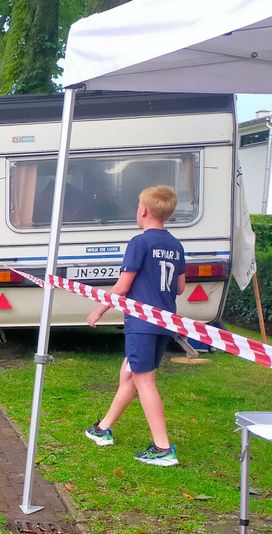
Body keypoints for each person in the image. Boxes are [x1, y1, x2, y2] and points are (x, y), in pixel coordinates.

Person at [84, 185, 186, 467]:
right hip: (164, 322)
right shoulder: (176, 246)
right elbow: (179, 287)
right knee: (129, 373)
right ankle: (102, 428)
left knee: (144, 380)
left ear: (143, 210)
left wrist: (99, 309)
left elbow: (123, 286)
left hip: (141, 322)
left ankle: (163, 448)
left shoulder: (139, 243)